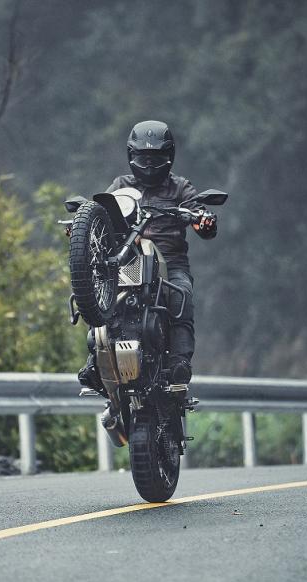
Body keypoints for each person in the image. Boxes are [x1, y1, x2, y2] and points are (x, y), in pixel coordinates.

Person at [78, 119, 217, 389]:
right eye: (144, 158)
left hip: (170, 263)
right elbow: (99, 213)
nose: (150, 164)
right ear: (132, 156)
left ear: (170, 156)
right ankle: (95, 360)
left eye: (157, 158)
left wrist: (203, 220)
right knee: (102, 296)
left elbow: (200, 217)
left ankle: (179, 361)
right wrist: (81, 226)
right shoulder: (120, 185)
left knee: (182, 294)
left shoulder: (180, 187)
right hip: (129, 260)